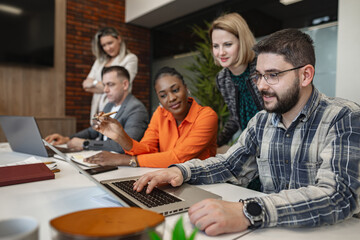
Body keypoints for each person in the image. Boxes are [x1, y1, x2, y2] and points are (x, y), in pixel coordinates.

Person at [132, 29, 360, 236]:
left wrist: (248, 211)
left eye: (273, 75)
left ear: (305, 75)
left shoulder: (344, 118)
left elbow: (338, 196)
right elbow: (230, 165)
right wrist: (180, 172)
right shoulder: (261, 121)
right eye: (259, 75)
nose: (261, 85)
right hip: (272, 231)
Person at [85, 67, 218, 168]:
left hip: (203, 183)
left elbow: (178, 158)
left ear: (186, 88)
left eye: (175, 90)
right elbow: (147, 149)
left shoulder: (207, 116)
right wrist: (121, 137)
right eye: (163, 95)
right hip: (166, 178)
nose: (171, 98)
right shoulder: (160, 114)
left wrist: (124, 160)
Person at [45, 66, 148, 152]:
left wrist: (85, 144)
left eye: (110, 84)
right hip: (105, 158)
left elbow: (126, 145)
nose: (105, 90)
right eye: (104, 85)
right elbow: (93, 131)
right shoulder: (109, 105)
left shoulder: (136, 109)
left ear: (125, 84)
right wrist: (67, 139)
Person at [210, 13, 263, 148]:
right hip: (252, 146)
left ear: (242, 42)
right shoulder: (222, 79)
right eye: (216, 46)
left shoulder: (263, 67)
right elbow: (235, 117)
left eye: (227, 44)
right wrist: (216, 143)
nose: (220, 52)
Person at [82, 27, 138, 123]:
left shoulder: (130, 59)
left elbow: (122, 85)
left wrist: (94, 83)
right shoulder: (99, 62)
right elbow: (86, 86)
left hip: (116, 109)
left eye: (110, 43)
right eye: (104, 45)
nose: (108, 48)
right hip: (97, 109)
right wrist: (110, 85)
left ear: (119, 39)